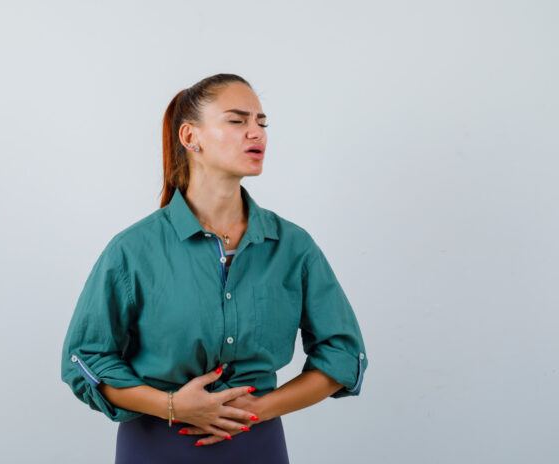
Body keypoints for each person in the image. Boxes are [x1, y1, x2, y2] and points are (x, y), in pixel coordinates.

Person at [61, 73, 368, 463]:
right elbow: (84, 359)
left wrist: (259, 409)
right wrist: (172, 406)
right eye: (237, 120)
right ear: (191, 137)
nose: (256, 133)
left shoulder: (293, 247)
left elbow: (343, 354)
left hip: (257, 445)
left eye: (262, 122)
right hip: (157, 445)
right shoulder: (133, 250)